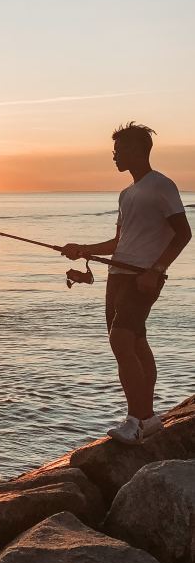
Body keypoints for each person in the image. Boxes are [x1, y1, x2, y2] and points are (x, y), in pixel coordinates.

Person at [62, 122, 191, 445]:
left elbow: (184, 233)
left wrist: (156, 270)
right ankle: (147, 419)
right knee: (135, 343)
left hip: (142, 278)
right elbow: (120, 241)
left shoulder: (162, 185)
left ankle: (136, 419)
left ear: (136, 151)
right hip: (117, 276)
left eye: (119, 151)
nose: (114, 156)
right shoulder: (126, 193)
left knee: (121, 340)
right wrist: (84, 250)